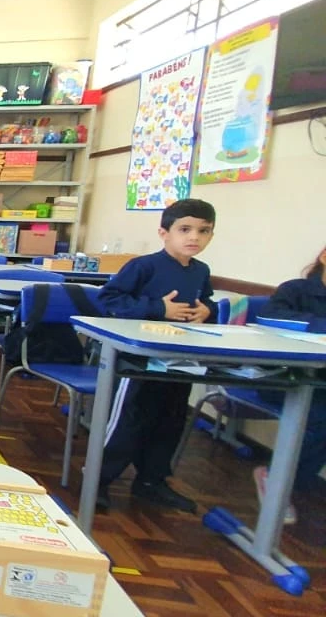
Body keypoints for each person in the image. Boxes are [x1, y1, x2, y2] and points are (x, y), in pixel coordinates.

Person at [96, 198, 218, 513]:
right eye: (185, 229)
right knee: (129, 420)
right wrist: (157, 308)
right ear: (164, 233)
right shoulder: (144, 266)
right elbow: (108, 299)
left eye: (204, 231)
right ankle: (99, 479)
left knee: (170, 420)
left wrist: (208, 310)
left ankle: (151, 480)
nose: (194, 237)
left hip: (179, 360)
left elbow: (206, 301)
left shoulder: (200, 271)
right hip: (137, 360)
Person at [249, 244, 326, 524]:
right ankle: (276, 482)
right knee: (319, 417)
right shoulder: (295, 290)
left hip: (319, 383)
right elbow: (270, 317)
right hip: (281, 378)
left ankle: (289, 482)